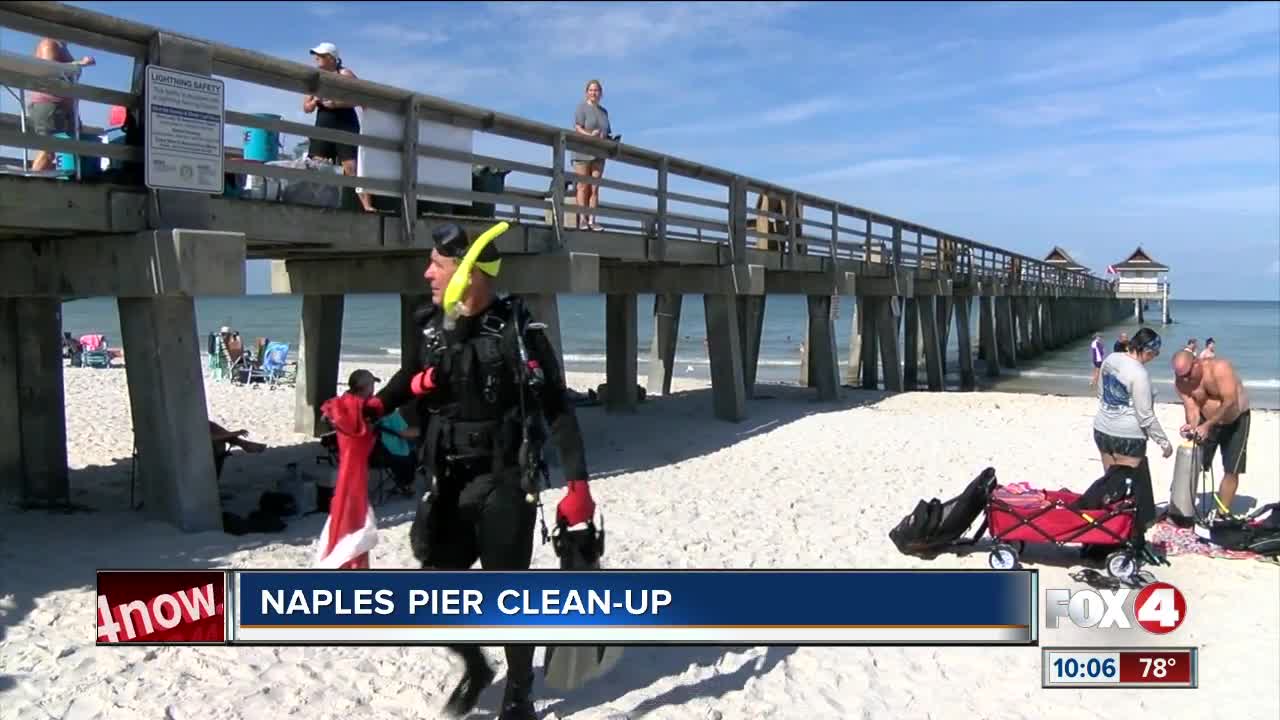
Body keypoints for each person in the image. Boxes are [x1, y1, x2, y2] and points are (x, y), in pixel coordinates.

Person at [363, 223, 597, 719]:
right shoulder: (428, 323)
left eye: (438, 265)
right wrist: (370, 408)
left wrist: (578, 486)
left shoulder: (518, 331)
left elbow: (557, 407)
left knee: (508, 592)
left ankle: (519, 691)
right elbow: (409, 376)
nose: (427, 272)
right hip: (446, 477)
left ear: (469, 274)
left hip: (504, 478)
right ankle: (476, 668)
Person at [1171, 349, 1250, 516]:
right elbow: (1192, 409)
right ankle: (1181, 507)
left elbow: (1230, 401)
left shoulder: (1219, 369)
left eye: (1188, 374)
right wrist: (1192, 425)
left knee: (1232, 468)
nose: (1185, 379)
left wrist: (1207, 425)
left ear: (1197, 363)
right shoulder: (1181, 382)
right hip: (1207, 422)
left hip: (1235, 421)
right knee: (1193, 462)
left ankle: (1222, 512)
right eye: (1181, 376)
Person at [303, 42, 375, 212]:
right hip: (323, 123)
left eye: (320, 55)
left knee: (352, 167)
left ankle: (367, 205)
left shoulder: (345, 74)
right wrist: (314, 101)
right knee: (317, 165)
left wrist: (336, 103)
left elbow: (361, 99)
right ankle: (314, 203)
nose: (316, 58)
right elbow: (306, 108)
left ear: (331, 58)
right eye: (316, 55)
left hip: (345, 123)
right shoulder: (315, 78)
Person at [1093, 328, 1173, 471]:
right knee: (1127, 487)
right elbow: (1145, 416)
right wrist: (1164, 443)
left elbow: (1101, 393)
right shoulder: (1139, 374)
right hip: (1127, 438)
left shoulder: (1111, 358)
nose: (1154, 357)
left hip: (1102, 430)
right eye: (1156, 353)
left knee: (1110, 484)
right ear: (1148, 351)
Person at [27, 38, 95, 171]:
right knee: (49, 150)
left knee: (72, 148)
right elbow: (49, 68)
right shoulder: (49, 43)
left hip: (67, 108)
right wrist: (80, 63)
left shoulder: (62, 46)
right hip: (50, 105)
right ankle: (29, 185)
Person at [348, 369, 419, 496]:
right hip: (385, 455)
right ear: (367, 387)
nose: (374, 388)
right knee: (416, 446)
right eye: (372, 385)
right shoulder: (382, 407)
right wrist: (424, 430)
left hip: (359, 453)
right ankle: (406, 484)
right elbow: (405, 433)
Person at [572, 79, 612, 231]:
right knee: (583, 186)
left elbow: (607, 130)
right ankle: (582, 219)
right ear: (587, 92)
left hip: (599, 152)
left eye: (596, 90)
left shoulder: (604, 112)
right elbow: (577, 127)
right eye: (591, 90)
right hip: (582, 150)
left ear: (600, 93)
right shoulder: (581, 108)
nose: (594, 93)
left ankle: (592, 220)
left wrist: (603, 136)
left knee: (595, 188)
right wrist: (589, 135)